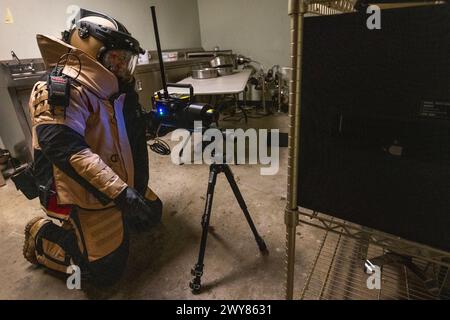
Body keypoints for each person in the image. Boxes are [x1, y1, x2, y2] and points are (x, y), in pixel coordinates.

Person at [22, 9, 162, 287]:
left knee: (151, 215)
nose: (122, 66)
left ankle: (120, 211)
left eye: (126, 60)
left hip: (118, 180)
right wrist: (122, 194)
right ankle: (41, 236)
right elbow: (66, 149)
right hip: (83, 191)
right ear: (90, 51)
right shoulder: (61, 88)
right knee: (102, 275)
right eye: (116, 58)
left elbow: (124, 133)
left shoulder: (113, 90)